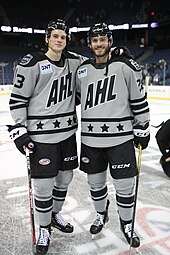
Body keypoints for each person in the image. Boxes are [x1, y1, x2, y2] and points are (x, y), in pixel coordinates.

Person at [7, 19, 86, 255]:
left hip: (68, 134)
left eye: (63, 36)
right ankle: (44, 228)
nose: (59, 40)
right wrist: (20, 129)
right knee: (43, 187)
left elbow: (93, 71)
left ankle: (53, 214)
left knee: (65, 179)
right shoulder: (32, 63)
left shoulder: (75, 61)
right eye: (55, 36)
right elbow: (18, 99)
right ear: (47, 39)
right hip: (42, 138)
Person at [75, 23, 150, 248]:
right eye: (94, 40)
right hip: (90, 139)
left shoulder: (126, 66)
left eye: (102, 39)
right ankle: (101, 214)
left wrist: (143, 126)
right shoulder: (82, 70)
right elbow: (76, 97)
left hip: (121, 139)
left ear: (110, 41)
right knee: (95, 183)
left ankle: (127, 223)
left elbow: (139, 99)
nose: (98, 43)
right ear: (89, 43)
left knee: (125, 186)